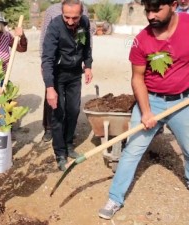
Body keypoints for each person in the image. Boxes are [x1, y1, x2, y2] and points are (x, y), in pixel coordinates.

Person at [99, 0, 189, 219]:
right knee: (132, 151)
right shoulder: (141, 40)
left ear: (173, 4)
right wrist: (147, 112)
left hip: (182, 101)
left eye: (156, 9)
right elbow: (137, 78)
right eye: (147, 10)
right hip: (152, 100)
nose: (150, 16)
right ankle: (115, 198)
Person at [41, 0, 93, 171]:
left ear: (81, 14)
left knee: (73, 110)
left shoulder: (84, 22)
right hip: (58, 74)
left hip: (74, 73)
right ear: (62, 13)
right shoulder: (55, 27)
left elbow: (86, 46)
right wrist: (49, 87)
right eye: (67, 17)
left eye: (75, 18)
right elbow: (47, 59)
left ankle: (69, 144)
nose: (71, 22)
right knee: (58, 113)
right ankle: (60, 153)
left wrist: (88, 65)